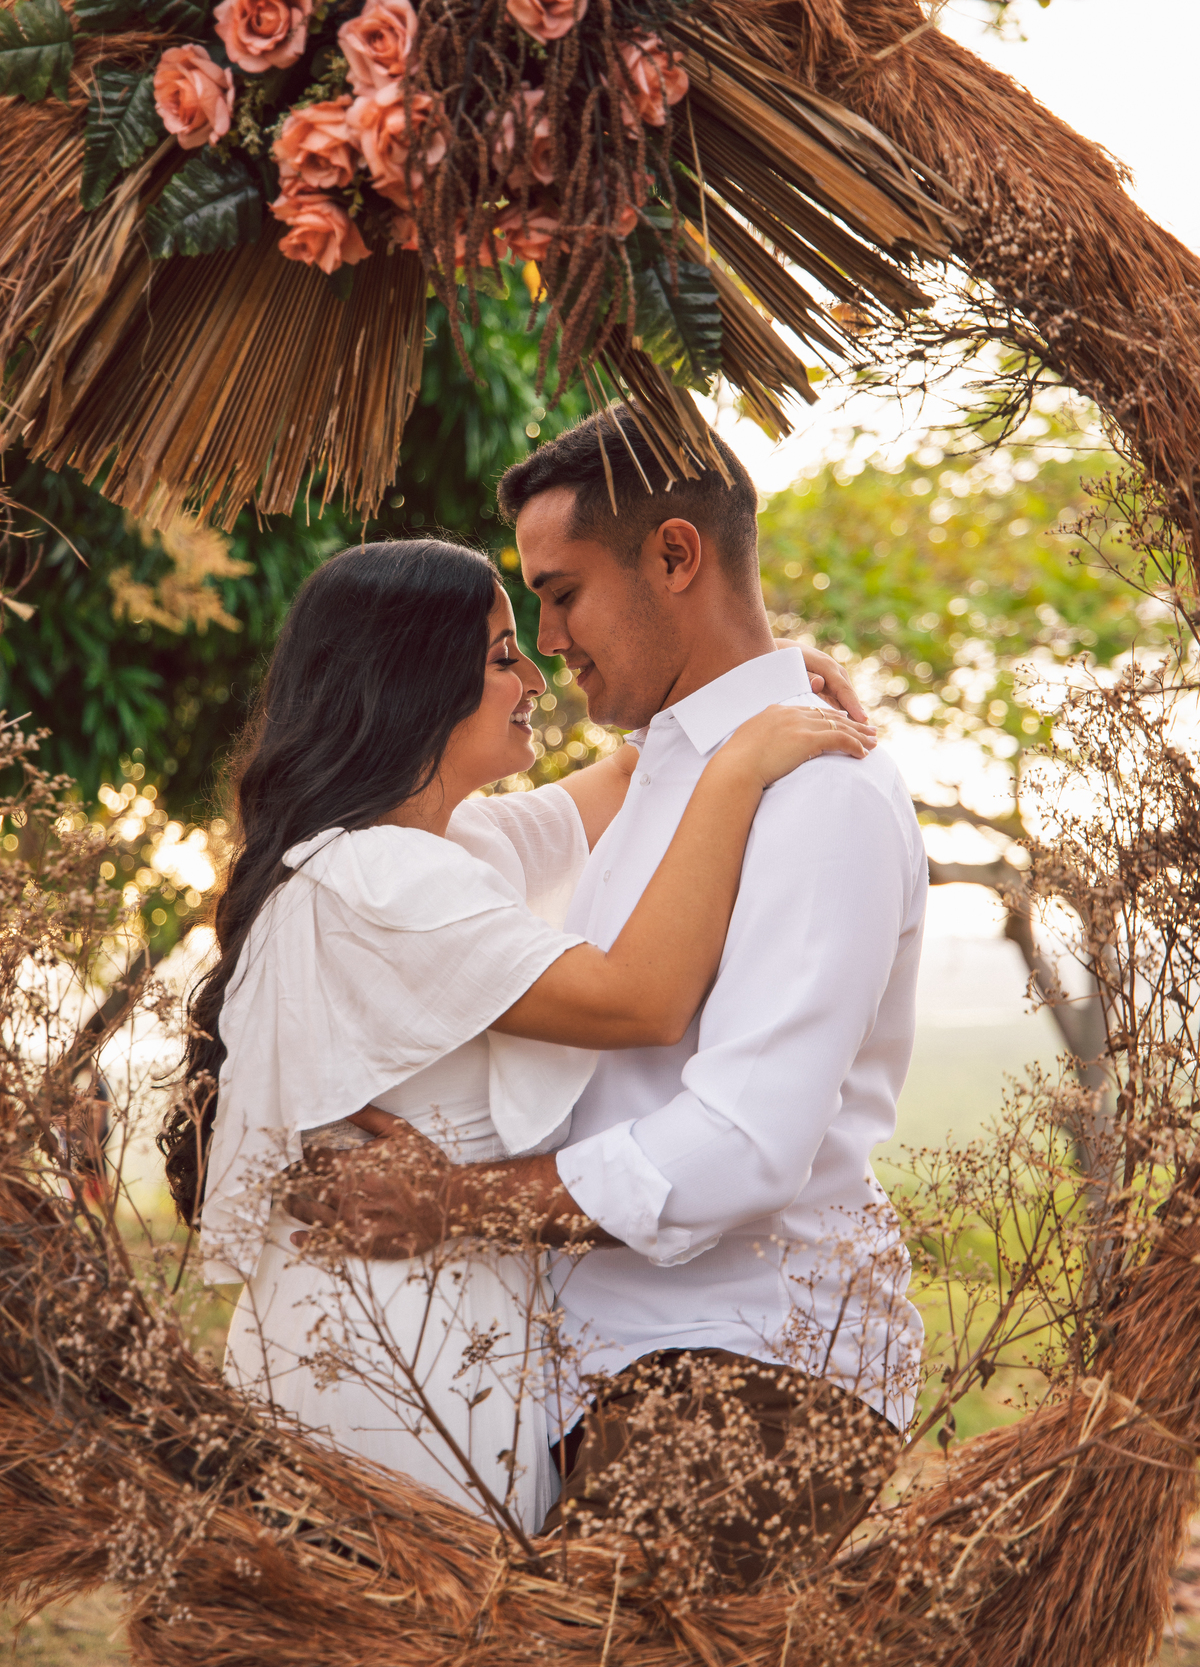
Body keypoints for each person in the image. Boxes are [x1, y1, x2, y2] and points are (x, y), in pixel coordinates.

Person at [289, 409, 928, 1582]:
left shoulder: (821, 797)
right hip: (594, 1360)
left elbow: (742, 1144)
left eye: (563, 593)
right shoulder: (664, 778)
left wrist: (455, 1204)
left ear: (675, 557)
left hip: (750, 1366)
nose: (547, 642)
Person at [161, 535, 870, 1536]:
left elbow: (625, 778)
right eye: (502, 656)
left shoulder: (436, 847)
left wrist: (759, 681)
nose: (536, 676)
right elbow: (641, 1001)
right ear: (411, 682)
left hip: (424, 1322)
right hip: (393, 1351)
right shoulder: (382, 882)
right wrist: (739, 771)